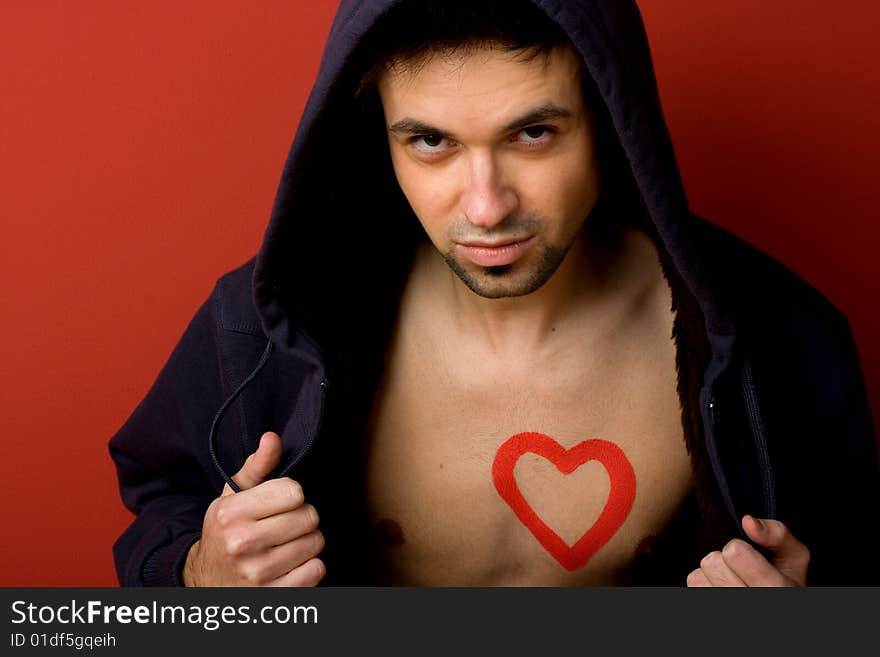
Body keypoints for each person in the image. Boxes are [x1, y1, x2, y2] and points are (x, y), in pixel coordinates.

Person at [109, 0, 879, 587]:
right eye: (431, 142)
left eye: (533, 133)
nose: (485, 206)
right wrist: (198, 574)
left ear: (610, 122)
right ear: (378, 136)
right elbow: (157, 518)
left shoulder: (778, 333)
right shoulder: (265, 326)